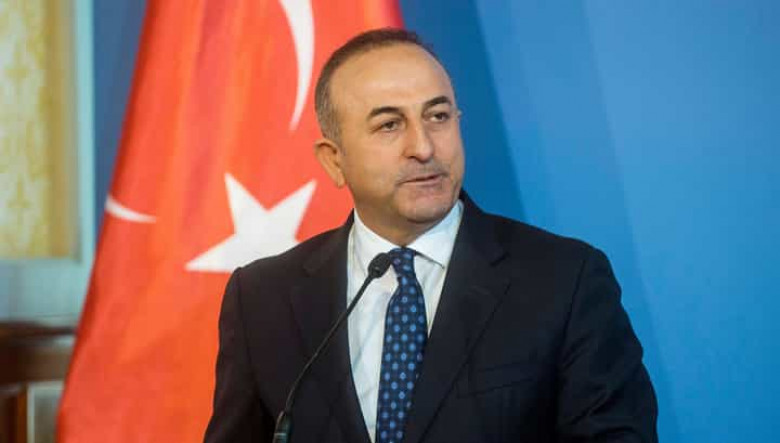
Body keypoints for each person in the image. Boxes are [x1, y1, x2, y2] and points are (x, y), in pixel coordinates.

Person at [204, 28, 657, 443]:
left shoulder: (564, 281)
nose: (423, 147)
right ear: (334, 160)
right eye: (389, 125)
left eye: (438, 116)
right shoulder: (261, 299)